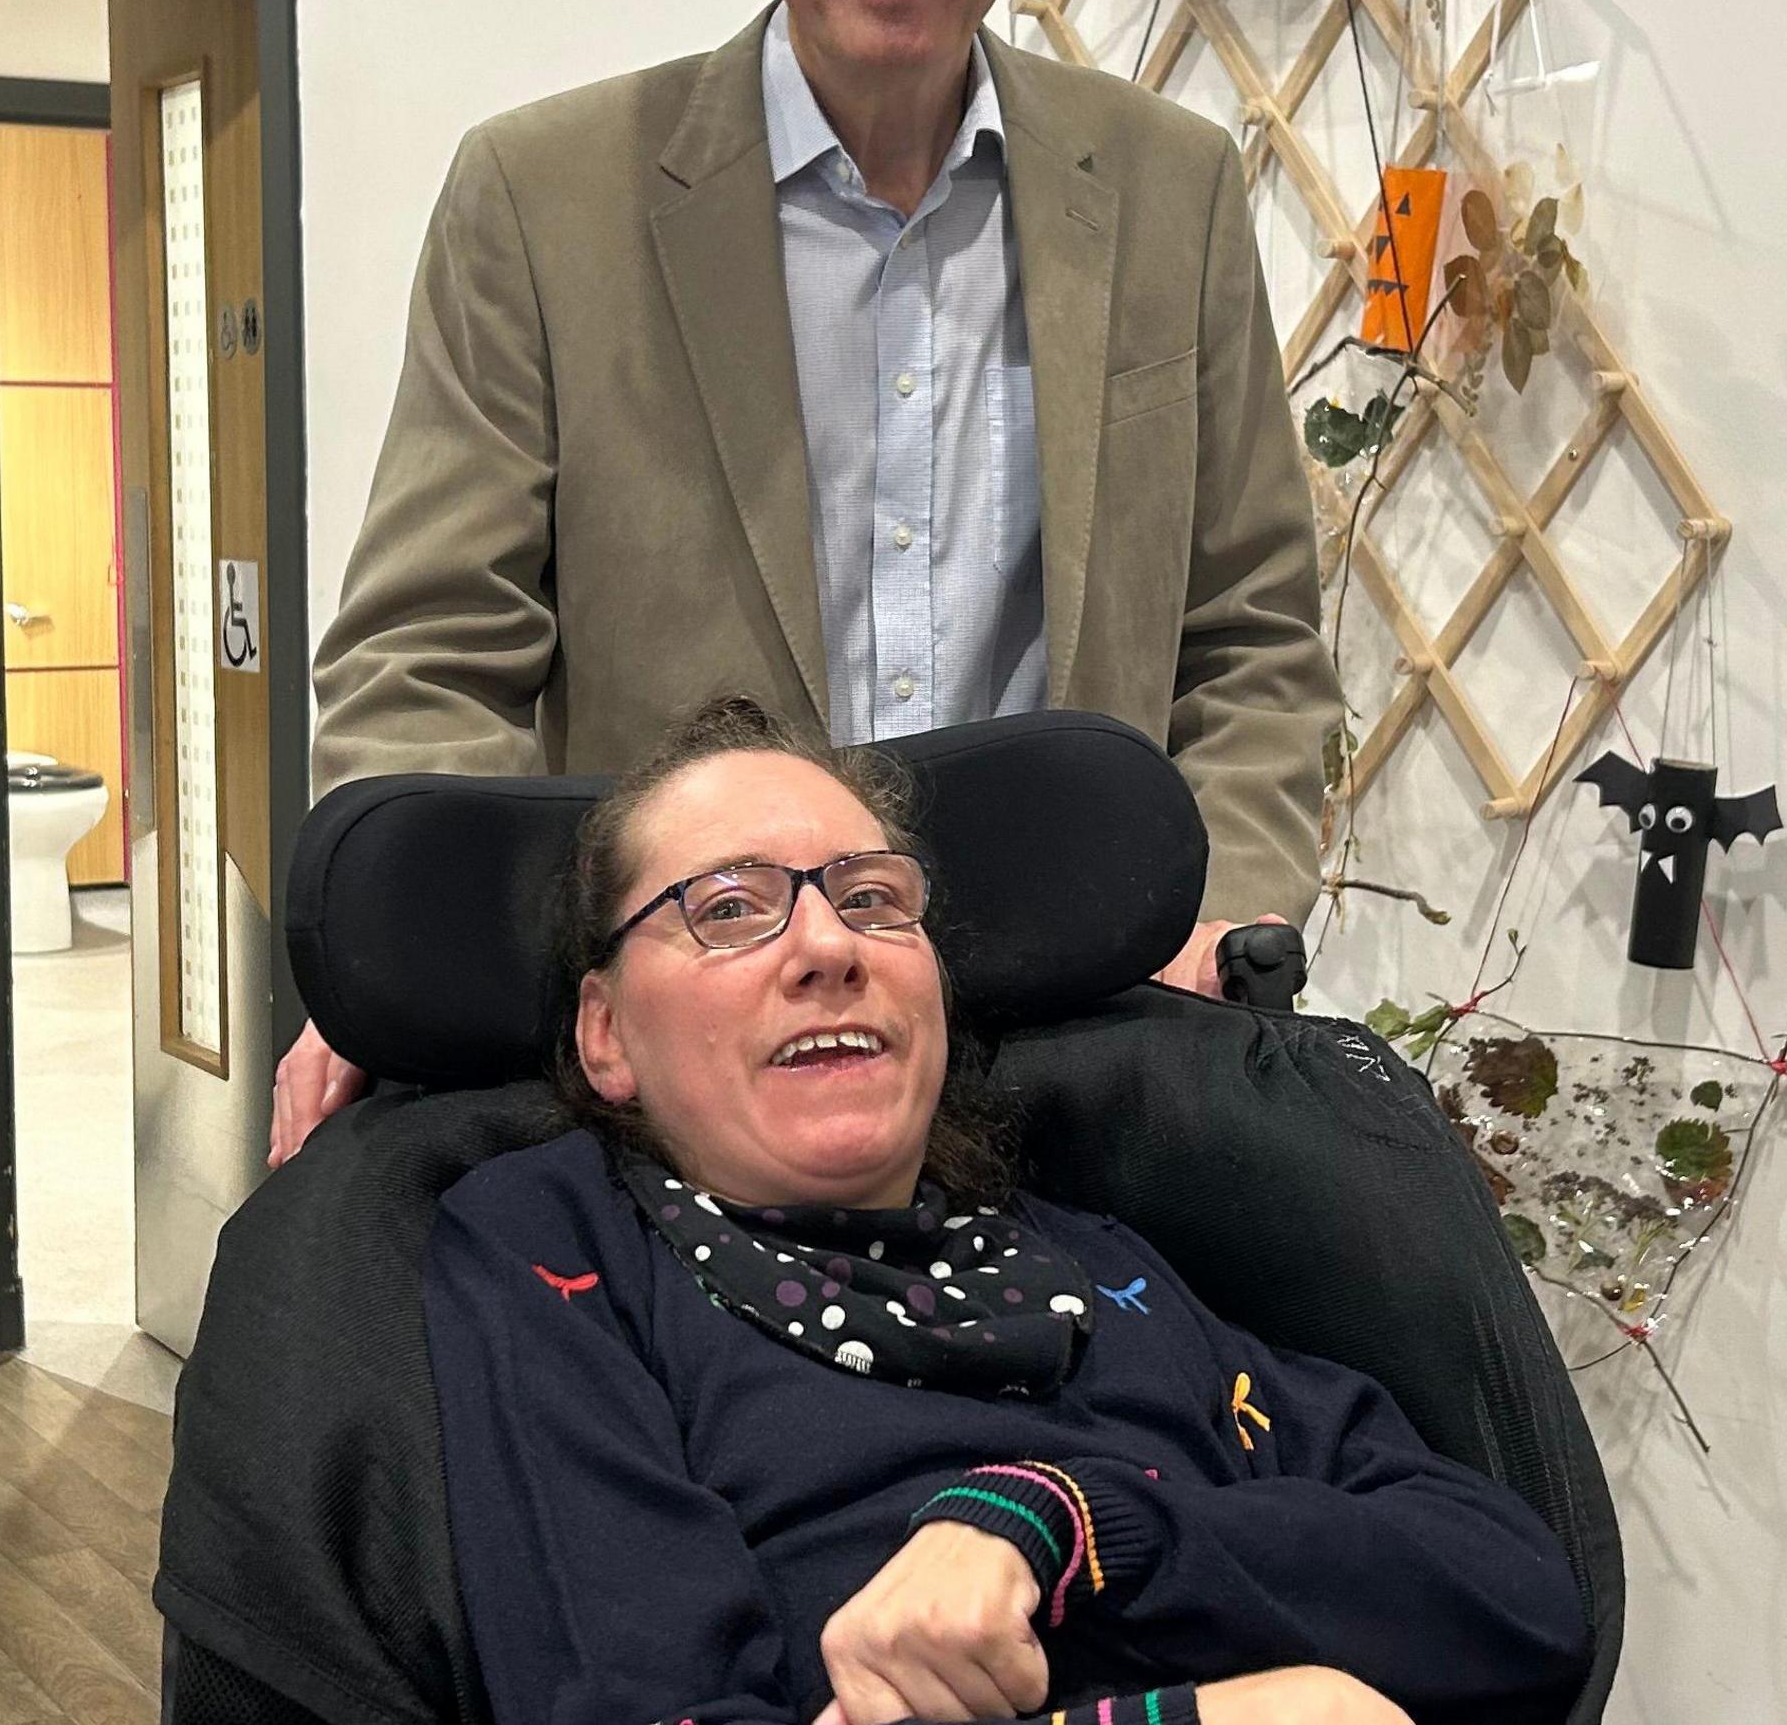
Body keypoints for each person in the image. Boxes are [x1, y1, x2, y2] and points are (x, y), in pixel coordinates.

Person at [276, 0, 1345, 1162]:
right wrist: (425, 969)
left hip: (1087, 1033)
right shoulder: (544, 198)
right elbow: (426, 655)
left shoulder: (1169, 194)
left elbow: (1252, 632)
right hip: (689, 1080)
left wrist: (1221, 900)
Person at [424, 699, 1590, 1725]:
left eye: (873, 898)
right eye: (729, 909)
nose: (828, 945)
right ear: (606, 1034)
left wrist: (1063, 1529)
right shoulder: (561, 1248)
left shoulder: (1099, 1268)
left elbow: (1515, 1599)